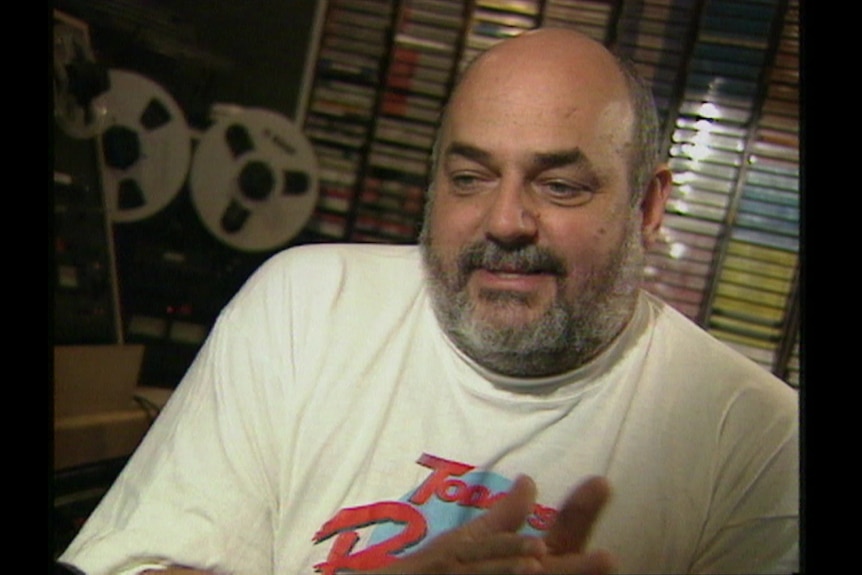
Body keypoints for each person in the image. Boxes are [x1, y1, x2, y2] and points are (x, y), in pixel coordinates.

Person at [57, 28, 799, 575]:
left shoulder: (762, 442)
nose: (505, 221)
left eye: (560, 185)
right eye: (470, 177)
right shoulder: (306, 306)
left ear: (647, 206)